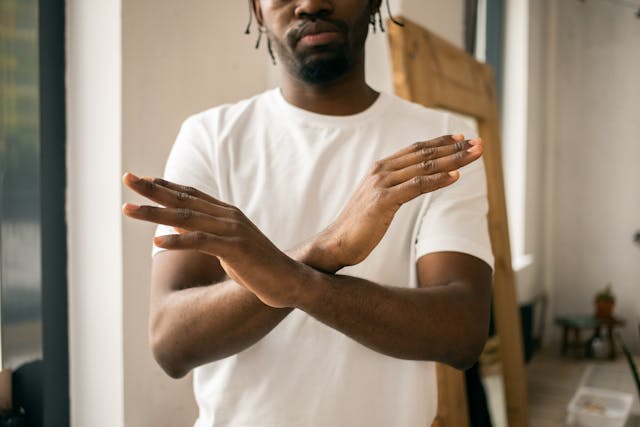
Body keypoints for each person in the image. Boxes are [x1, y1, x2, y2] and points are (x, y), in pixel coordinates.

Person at [123, 0, 494, 426]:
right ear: (257, 10)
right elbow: (172, 343)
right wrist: (325, 250)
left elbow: (462, 333)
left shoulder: (437, 146)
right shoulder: (209, 138)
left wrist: (298, 282)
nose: (310, 3)